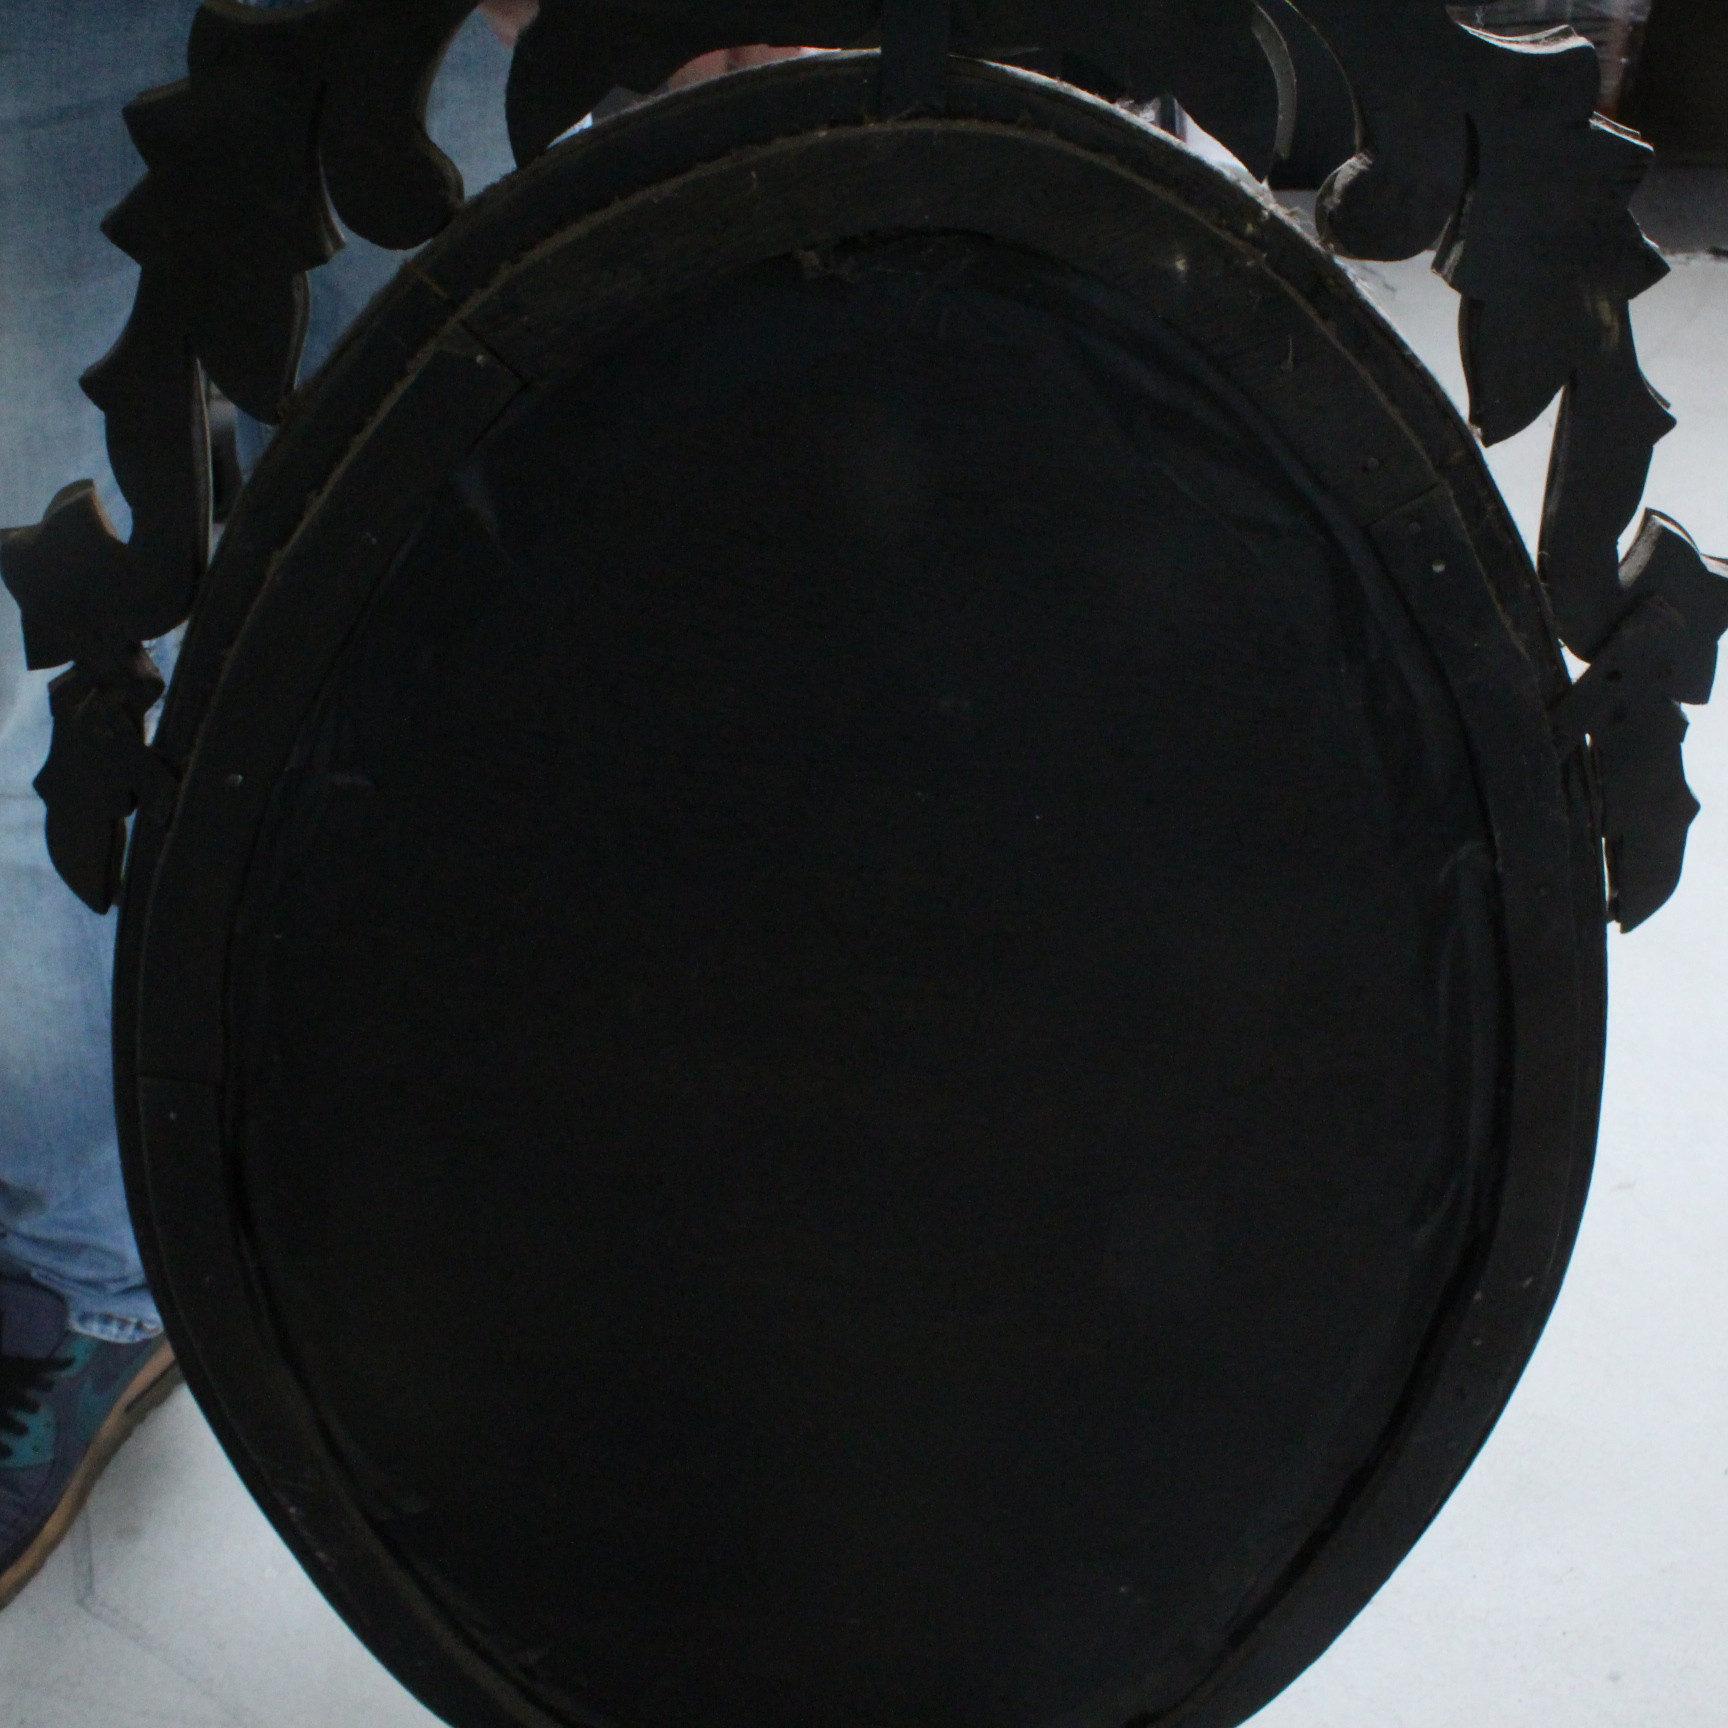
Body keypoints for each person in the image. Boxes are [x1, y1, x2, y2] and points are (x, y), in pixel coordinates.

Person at [0, 0, 811, 1614]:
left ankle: (167, 1267)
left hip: (430, 39)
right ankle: (100, 1247)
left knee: (465, 626)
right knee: (71, 668)